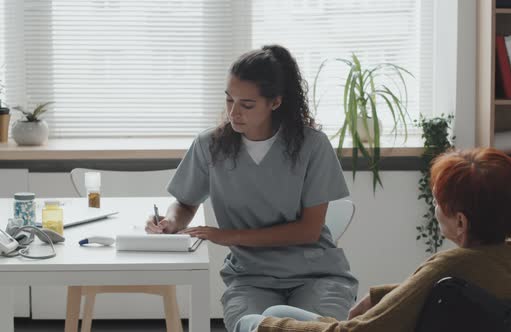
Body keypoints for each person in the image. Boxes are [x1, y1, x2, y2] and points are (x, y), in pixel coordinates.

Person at [145, 44, 358, 332]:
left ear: (275, 103)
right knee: (253, 326)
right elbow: (185, 202)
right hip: (250, 277)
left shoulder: (312, 146)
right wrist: (171, 221)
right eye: (229, 100)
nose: (234, 112)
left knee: (311, 329)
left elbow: (308, 230)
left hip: (316, 274)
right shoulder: (209, 145)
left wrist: (227, 236)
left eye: (246, 105)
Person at [234, 147, 511, 332]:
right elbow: (425, 294)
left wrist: (268, 329)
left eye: (437, 202)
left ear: (460, 221)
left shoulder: (449, 268)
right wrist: (379, 296)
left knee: (251, 323)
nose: (434, 209)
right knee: (274, 312)